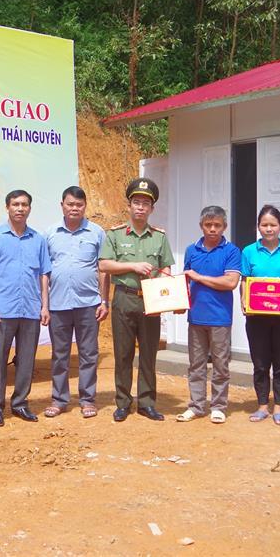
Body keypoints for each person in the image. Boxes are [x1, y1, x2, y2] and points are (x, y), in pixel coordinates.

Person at [99, 177, 174, 422]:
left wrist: (169, 299)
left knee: (149, 353)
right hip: (124, 298)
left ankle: (147, 402)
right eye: (136, 202)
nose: (140, 207)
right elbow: (105, 265)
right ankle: (122, 402)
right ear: (129, 206)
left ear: (152, 209)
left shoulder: (159, 237)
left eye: (145, 203)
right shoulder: (115, 235)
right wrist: (133, 265)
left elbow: (167, 271)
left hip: (151, 301)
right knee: (122, 354)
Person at [0, 189, 51, 426]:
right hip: (2, 310)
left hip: (30, 310)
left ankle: (20, 403)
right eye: (15, 204)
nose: (20, 208)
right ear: (7, 207)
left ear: (30, 208)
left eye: (24, 204)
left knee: (26, 360)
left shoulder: (38, 239)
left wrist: (44, 306)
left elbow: (43, 275)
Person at [44, 186, 109, 419]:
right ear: (62, 205)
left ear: (85, 207)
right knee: (60, 354)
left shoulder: (97, 232)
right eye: (70, 204)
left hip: (89, 303)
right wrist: (44, 304)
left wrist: (104, 300)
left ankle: (87, 399)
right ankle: (59, 399)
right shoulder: (50, 234)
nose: (74, 208)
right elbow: (44, 272)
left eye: (79, 205)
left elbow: (103, 269)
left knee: (89, 354)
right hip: (58, 303)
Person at [239, 205, 280, 426]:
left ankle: (279, 407)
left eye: (273, 225)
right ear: (258, 227)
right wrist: (244, 301)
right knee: (260, 362)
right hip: (257, 316)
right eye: (264, 225)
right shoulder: (248, 252)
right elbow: (245, 280)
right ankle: (262, 406)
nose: (268, 229)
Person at [178, 206, 241, 424]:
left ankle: (218, 406)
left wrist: (198, 276)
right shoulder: (191, 250)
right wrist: (178, 301)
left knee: (221, 365)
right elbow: (185, 281)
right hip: (195, 317)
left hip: (220, 318)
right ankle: (196, 406)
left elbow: (230, 282)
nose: (213, 229)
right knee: (196, 365)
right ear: (201, 226)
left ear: (224, 227)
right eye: (208, 225)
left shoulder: (232, 251)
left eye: (217, 225)